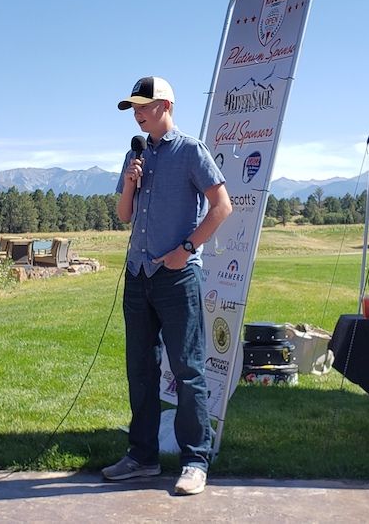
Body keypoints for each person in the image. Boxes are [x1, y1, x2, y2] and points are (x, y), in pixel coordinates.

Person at [104, 76, 232, 495]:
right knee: (139, 371)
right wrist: (130, 180)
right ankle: (142, 457)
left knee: (187, 369)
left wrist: (187, 248)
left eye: (143, 106)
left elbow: (222, 206)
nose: (137, 113)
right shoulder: (135, 153)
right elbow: (124, 214)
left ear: (166, 105)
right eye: (133, 108)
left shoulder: (190, 150)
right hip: (138, 277)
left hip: (177, 277)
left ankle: (195, 459)